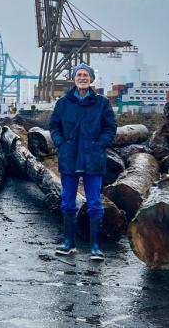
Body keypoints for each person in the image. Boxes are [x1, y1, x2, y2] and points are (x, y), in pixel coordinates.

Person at [49, 63, 117, 261]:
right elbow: (54, 125)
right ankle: (69, 243)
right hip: (69, 157)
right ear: (74, 78)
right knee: (68, 202)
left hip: (93, 158)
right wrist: (60, 143)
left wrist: (100, 144)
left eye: (85, 75)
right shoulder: (63, 103)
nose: (82, 78)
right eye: (79, 75)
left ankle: (95, 246)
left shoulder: (102, 103)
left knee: (95, 202)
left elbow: (110, 127)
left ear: (91, 79)